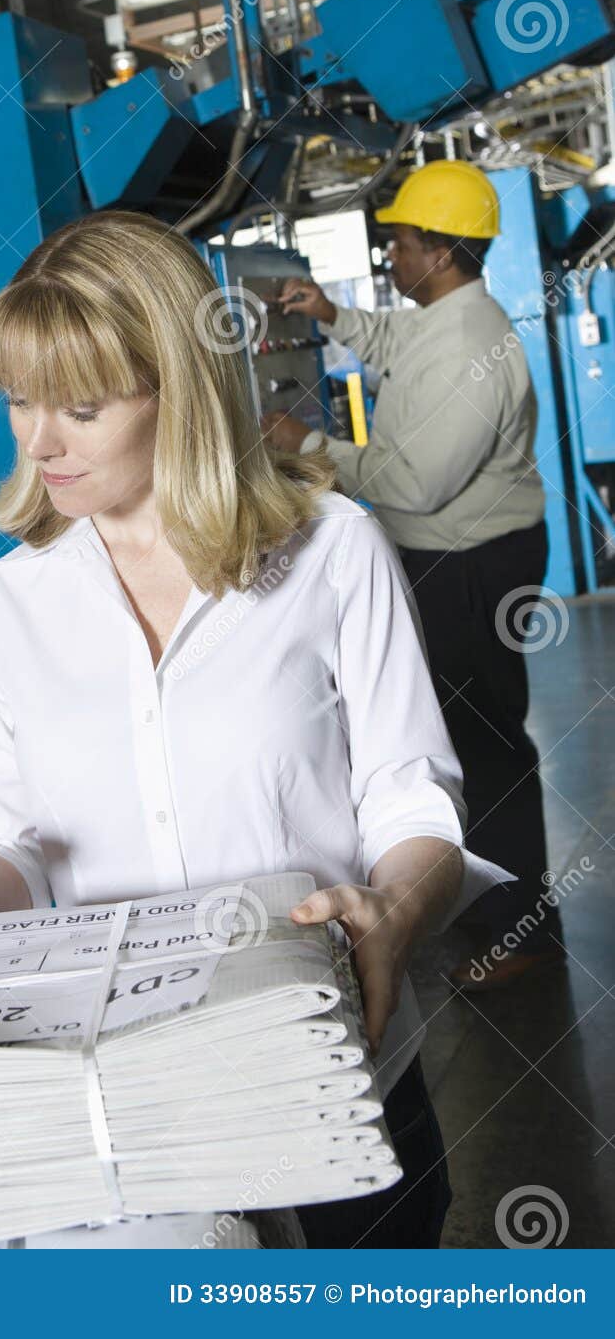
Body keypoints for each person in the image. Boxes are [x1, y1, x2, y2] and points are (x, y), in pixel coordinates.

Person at [0, 209, 511, 1248]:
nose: (37, 440)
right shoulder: (14, 604)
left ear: (180, 390)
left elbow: (408, 792)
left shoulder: (332, 551)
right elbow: (15, 844)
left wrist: (392, 903)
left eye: (81, 407)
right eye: (17, 401)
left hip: (327, 1069)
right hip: (127, 1103)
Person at [263, 160, 557, 990]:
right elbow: (401, 342)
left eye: (397, 242)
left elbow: (417, 482)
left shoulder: (470, 341)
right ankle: (484, 908)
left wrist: (303, 446)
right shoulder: (446, 318)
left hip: (469, 564)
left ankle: (520, 932)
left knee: (485, 745)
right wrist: (333, 315)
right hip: (453, 553)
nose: (389, 254)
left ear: (435, 250)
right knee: (467, 737)